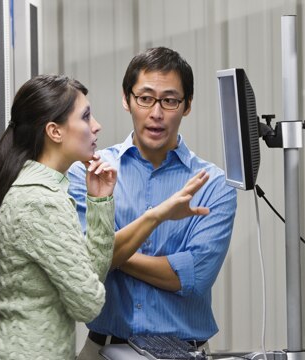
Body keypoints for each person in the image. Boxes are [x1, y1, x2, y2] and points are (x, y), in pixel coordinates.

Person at [0, 74, 210, 360]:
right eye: (86, 117)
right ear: (55, 132)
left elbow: (92, 274)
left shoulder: (47, 190)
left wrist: (100, 201)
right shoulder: (39, 202)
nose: (96, 125)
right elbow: (88, 303)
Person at [69, 47, 237, 359]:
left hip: (185, 352)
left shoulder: (213, 185)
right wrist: (98, 255)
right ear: (126, 99)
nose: (156, 113)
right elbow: (83, 264)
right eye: (145, 98)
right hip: (102, 348)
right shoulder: (89, 172)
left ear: (186, 106)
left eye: (170, 100)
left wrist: (109, 253)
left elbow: (192, 278)